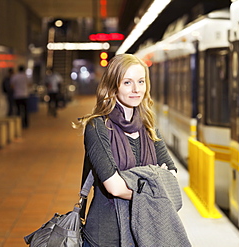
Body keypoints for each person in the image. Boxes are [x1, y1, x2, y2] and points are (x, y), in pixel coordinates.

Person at [73, 54, 190, 247]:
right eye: (127, 82)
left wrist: (132, 181)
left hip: (147, 236)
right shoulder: (97, 127)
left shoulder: (149, 128)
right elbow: (115, 187)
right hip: (106, 238)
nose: (136, 89)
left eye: (141, 81)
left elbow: (172, 179)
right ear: (113, 86)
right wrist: (154, 180)